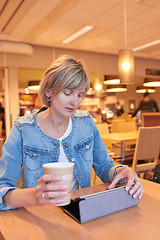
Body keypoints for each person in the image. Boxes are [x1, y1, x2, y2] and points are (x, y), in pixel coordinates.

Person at [0, 55, 143, 210]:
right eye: (68, 93)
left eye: (80, 94)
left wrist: (121, 170)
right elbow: (3, 189)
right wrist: (37, 195)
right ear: (48, 92)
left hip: (80, 212)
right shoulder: (23, 129)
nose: (75, 102)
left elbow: (103, 166)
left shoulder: (86, 123)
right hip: (40, 216)